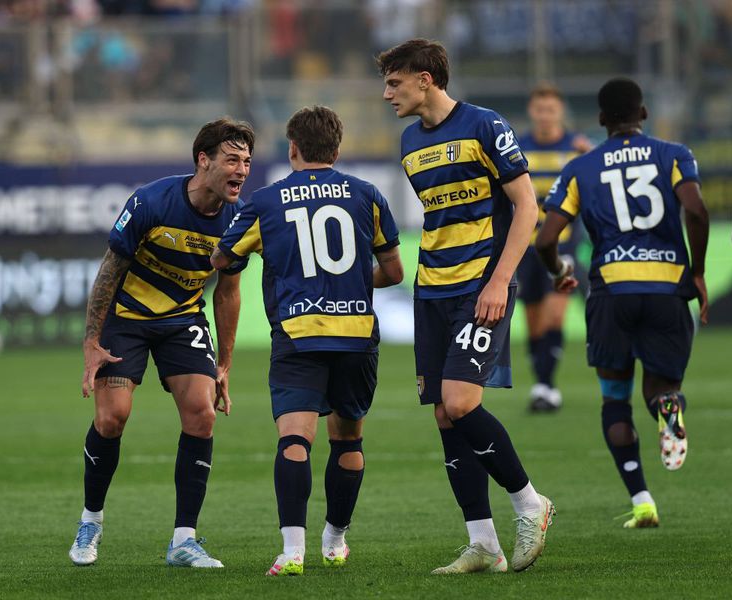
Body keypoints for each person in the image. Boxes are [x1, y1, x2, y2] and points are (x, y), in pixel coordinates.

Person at [377, 39, 554, 574]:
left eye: (394, 83)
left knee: (459, 402)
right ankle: (484, 544)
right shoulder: (410, 141)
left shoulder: (485, 125)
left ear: (425, 79)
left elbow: (527, 207)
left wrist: (499, 281)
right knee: (444, 415)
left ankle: (530, 503)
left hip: (481, 286)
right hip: (432, 288)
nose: (387, 94)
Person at [211, 106, 404, 576]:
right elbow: (395, 272)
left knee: (295, 440)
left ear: (292, 148)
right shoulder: (367, 195)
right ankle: (335, 540)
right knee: (349, 440)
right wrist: (348, 283)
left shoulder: (266, 201)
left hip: (299, 334)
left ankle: (292, 551)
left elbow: (221, 259)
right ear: (336, 150)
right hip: (356, 334)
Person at [69, 118, 255, 568]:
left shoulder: (238, 220)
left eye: (247, 162)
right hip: (127, 318)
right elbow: (109, 271)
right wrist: (92, 340)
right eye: (232, 160)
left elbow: (228, 292)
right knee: (111, 418)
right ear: (204, 160)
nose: (242, 170)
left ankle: (183, 541)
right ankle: (91, 521)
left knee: (202, 415)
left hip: (182, 320)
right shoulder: (152, 201)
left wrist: (224, 364)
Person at [536, 77, 709, 528]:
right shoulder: (675, 154)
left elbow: (546, 239)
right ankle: (668, 407)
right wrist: (697, 271)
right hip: (667, 289)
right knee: (661, 388)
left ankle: (642, 500)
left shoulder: (580, 167)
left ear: (600, 119)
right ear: (643, 113)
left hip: (612, 290)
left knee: (615, 400)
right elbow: (695, 210)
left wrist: (559, 271)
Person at [517, 83, 591, 412]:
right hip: (525, 248)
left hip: (562, 246)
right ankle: (542, 382)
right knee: (533, 321)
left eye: (551, 109)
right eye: (540, 109)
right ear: (531, 111)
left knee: (554, 314)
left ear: (560, 112)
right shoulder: (518, 148)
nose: (545, 115)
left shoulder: (577, 148)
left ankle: (546, 386)